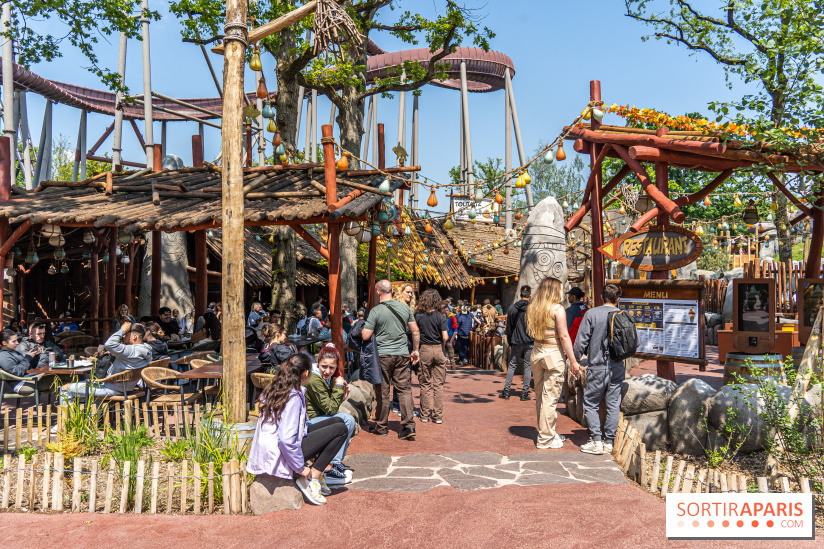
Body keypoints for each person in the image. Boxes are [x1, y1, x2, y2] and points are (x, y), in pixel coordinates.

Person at [247, 353, 349, 506]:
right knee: (341, 429)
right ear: (306, 373)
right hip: (279, 454)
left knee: (337, 421)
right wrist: (301, 468)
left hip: (276, 448)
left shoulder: (280, 387)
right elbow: (286, 440)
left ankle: (317, 469)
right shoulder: (293, 397)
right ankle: (313, 477)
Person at [527, 278, 582, 450]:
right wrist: (573, 361)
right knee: (550, 398)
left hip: (536, 351)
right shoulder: (557, 309)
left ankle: (547, 431)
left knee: (540, 396)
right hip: (552, 352)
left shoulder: (533, 307)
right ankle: (545, 438)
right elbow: (564, 336)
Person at [361, 280, 420, 440]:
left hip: (382, 356)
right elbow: (415, 331)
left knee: (383, 391)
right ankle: (408, 426)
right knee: (404, 389)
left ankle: (381, 426)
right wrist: (415, 350)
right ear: (392, 291)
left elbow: (366, 335)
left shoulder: (376, 311)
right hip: (402, 354)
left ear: (378, 292)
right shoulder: (404, 307)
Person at [573, 283, 625, 455]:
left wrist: (575, 360)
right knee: (613, 405)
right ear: (618, 299)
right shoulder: (624, 315)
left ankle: (596, 440)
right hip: (617, 367)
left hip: (597, 366)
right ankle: (609, 442)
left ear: (602, 297)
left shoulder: (592, 314)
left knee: (590, 403)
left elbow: (580, 342)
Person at [59, 321, 152, 404]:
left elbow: (109, 344)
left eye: (126, 334)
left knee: (65, 388)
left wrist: (122, 330)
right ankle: (92, 416)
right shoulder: (147, 350)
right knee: (81, 383)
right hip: (126, 387)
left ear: (134, 337)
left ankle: (64, 422)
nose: (123, 336)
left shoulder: (130, 350)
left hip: (111, 389)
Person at [303, 343, 355, 485]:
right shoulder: (314, 379)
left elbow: (329, 406)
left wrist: (341, 395)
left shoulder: (320, 377)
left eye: (332, 367)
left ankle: (332, 463)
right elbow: (330, 409)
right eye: (324, 366)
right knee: (346, 419)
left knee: (343, 420)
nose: (327, 371)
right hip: (309, 424)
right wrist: (338, 387)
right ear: (317, 362)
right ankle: (329, 466)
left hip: (315, 420)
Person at [415, 289, 448, 424]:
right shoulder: (441, 317)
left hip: (425, 349)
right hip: (438, 348)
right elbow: (445, 336)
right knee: (439, 385)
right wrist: (442, 345)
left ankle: (424, 415)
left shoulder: (419, 316)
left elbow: (415, 334)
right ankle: (438, 416)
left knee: (425, 384)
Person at [502, 285, 534, 401]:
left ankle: (506, 391)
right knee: (527, 367)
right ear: (529, 295)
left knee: (512, 365)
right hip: (530, 340)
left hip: (516, 340)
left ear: (520, 295)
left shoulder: (512, 308)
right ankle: (524, 393)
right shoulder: (533, 308)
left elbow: (509, 327)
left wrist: (510, 341)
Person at [0, 329, 40, 394]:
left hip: (29, 380)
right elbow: (17, 372)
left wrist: (34, 356)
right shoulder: (3, 356)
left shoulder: (13, 352)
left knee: (56, 377)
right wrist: (27, 358)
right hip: (22, 384)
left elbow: (27, 367)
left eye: (17, 340)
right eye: (14, 341)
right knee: (55, 378)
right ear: (4, 343)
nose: (17, 343)